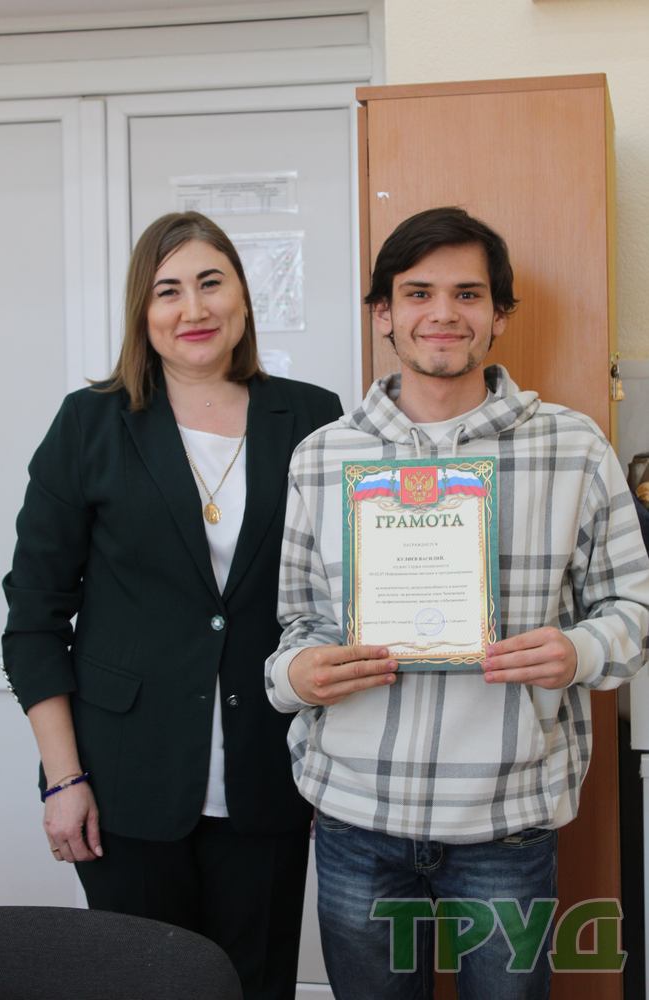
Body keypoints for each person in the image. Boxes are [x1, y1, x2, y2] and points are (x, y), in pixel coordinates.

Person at [265, 206, 649, 999]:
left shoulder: (574, 447)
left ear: (499, 314)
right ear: (382, 313)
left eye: (467, 294)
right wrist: (298, 674)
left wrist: (576, 652)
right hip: (355, 817)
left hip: (505, 822)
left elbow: (633, 610)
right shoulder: (321, 456)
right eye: (418, 293)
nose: (442, 313)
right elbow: (298, 623)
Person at [2, 211, 342, 1000]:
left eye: (210, 283)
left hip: (269, 777)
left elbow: (342, 591)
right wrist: (63, 779)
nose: (193, 308)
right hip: (122, 782)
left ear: (243, 298)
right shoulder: (90, 424)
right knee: (142, 984)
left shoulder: (313, 418)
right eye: (168, 290)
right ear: (142, 312)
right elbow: (34, 618)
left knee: (255, 985)